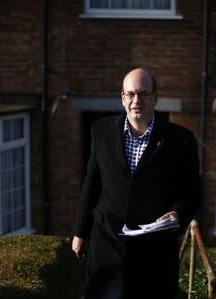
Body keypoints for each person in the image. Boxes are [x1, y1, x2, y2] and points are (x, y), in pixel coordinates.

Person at [72, 68, 200, 299]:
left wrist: (178, 214)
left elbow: (193, 192)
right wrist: (80, 232)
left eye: (143, 94)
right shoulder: (101, 131)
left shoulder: (181, 140)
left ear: (155, 98)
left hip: (154, 253)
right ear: (122, 98)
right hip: (107, 245)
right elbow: (91, 182)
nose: (136, 100)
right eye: (130, 94)